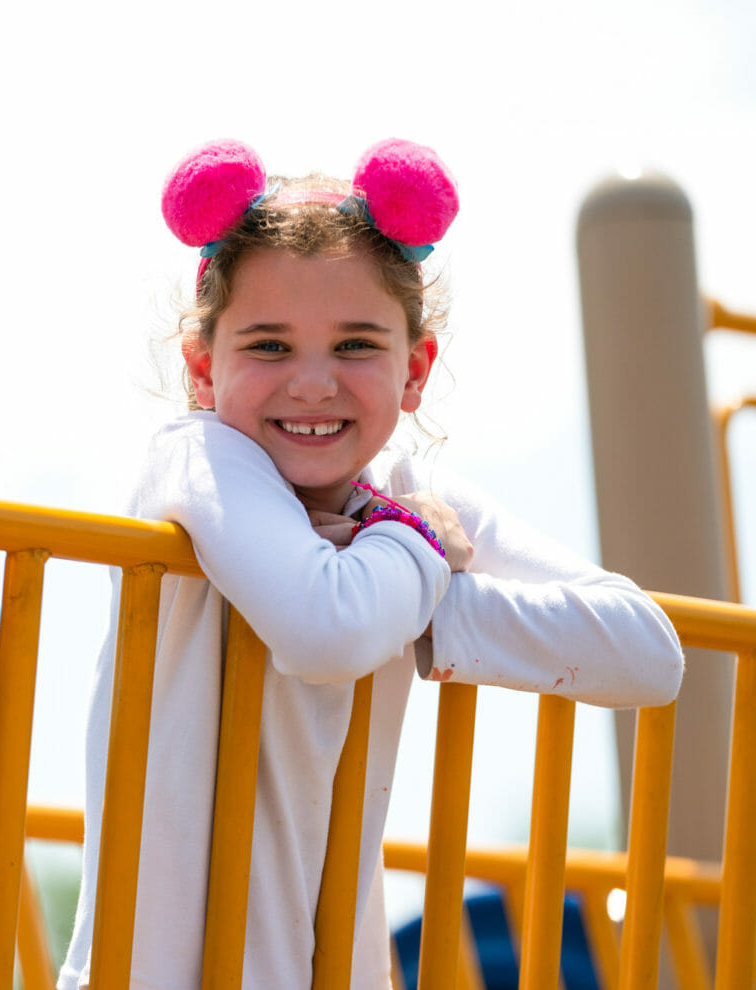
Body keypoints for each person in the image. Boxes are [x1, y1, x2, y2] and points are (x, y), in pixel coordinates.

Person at [58, 138, 686, 989]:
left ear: (414, 369)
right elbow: (328, 629)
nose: (313, 383)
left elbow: (649, 651)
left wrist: (420, 610)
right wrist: (414, 556)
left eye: (356, 344)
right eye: (269, 346)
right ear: (204, 368)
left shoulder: (400, 497)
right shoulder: (198, 459)